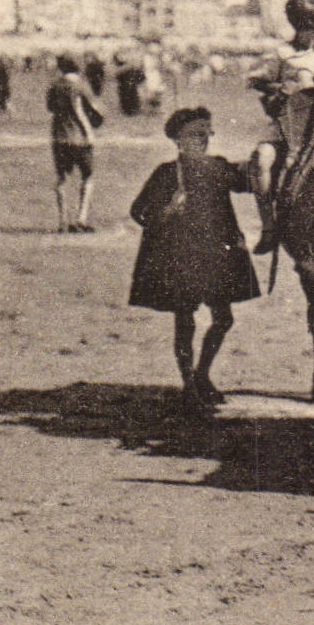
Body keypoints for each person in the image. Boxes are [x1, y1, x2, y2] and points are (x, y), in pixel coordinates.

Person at [129, 107, 261, 408]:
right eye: (195, 135)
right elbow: (138, 212)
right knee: (185, 321)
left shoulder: (217, 167)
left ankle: (202, 374)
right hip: (182, 258)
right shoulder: (165, 174)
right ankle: (189, 383)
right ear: (178, 139)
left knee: (223, 319)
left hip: (216, 259)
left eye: (207, 134)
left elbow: (249, 181)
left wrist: (263, 158)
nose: (203, 140)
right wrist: (167, 211)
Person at [244, 0, 314, 254]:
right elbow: (261, 86)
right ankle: (269, 227)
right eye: (304, 27)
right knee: (262, 158)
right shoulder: (281, 55)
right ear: (296, 26)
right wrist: (281, 88)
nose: (310, 34)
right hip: (286, 124)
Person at [46, 55, 105, 233]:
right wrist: (89, 131)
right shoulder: (80, 85)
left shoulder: (54, 86)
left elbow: (50, 108)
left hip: (59, 137)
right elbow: (83, 109)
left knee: (62, 178)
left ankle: (63, 220)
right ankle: (81, 218)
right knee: (87, 177)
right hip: (79, 138)